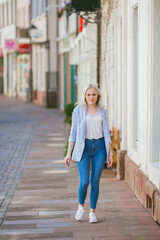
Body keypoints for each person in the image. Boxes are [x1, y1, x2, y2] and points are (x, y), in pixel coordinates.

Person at [64, 83, 113, 223]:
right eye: (88, 94)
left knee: (95, 181)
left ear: (98, 96)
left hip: (99, 147)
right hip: (83, 148)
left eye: (94, 94)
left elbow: (106, 134)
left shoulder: (102, 111)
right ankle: (81, 207)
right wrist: (68, 153)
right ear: (84, 96)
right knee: (84, 181)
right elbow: (73, 133)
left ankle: (92, 212)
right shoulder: (78, 111)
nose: (91, 97)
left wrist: (110, 154)